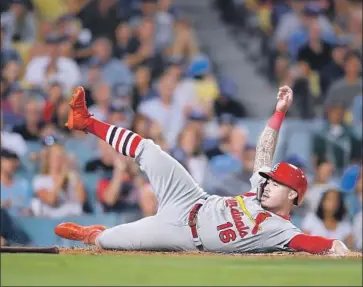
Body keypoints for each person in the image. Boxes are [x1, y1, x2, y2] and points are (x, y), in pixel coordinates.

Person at [55, 86, 349, 255]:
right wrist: (279, 111)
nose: (269, 184)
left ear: (294, 196)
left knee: (107, 241)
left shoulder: (281, 231)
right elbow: (265, 147)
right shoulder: (259, 191)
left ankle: (90, 233)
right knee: (150, 151)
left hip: (182, 234)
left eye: (278, 183)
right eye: (270, 179)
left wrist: (338, 247)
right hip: (192, 199)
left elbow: (312, 243)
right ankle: (86, 121)